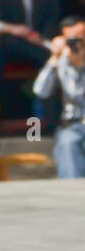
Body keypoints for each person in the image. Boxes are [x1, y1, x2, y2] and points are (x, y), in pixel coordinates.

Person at [32, 16, 85, 178]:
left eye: (80, 39)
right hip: (72, 124)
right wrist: (54, 58)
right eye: (70, 40)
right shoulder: (61, 62)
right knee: (67, 143)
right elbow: (40, 91)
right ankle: (72, 197)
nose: (75, 45)